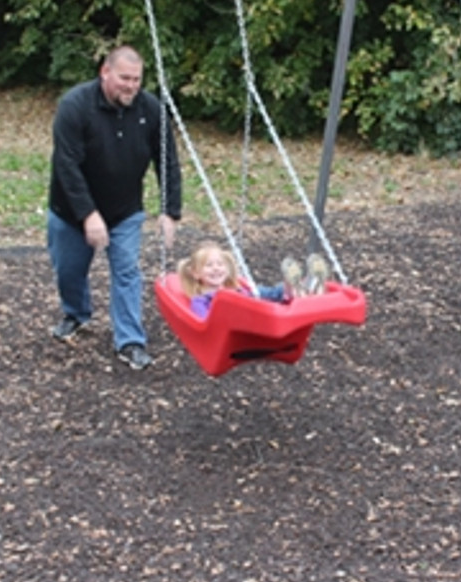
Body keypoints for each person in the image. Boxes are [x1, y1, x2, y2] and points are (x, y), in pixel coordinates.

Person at [47, 45, 182, 369]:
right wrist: (88, 215)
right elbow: (66, 165)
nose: (131, 86)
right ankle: (76, 313)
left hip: (124, 211)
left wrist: (170, 210)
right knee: (69, 271)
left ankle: (130, 341)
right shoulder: (75, 106)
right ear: (105, 72)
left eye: (136, 80)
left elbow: (168, 161)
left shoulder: (150, 109)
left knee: (126, 271)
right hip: (71, 212)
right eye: (124, 78)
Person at [177, 241, 331, 319]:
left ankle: (302, 286)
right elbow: (206, 322)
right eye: (209, 266)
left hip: (250, 300)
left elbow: (253, 295)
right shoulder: (200, 300)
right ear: (196, 273)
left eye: (220, 264)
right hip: (246, 317)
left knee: (267, 292)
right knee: (268, 302)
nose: (216, 269)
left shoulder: (235, 287)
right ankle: (297, 289)